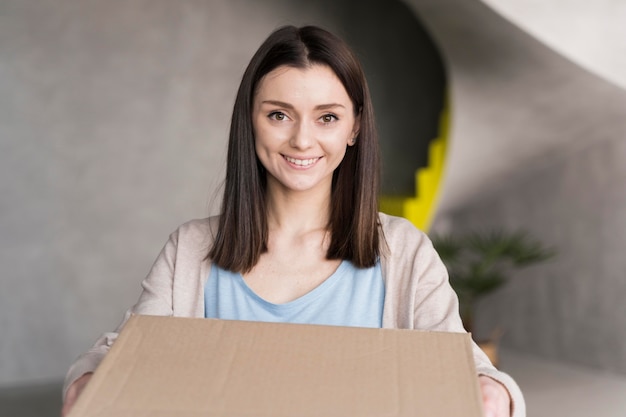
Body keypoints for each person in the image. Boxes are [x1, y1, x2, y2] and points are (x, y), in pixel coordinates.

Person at [62, 25, 525, 417]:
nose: (302, 140)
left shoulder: (403, 250)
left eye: (327, 117)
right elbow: (133, 354)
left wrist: (496, 393)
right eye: (279, 114)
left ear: (355, 128)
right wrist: (87, 378)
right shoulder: (190, 249)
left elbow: (463, 365)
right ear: (251, 119)